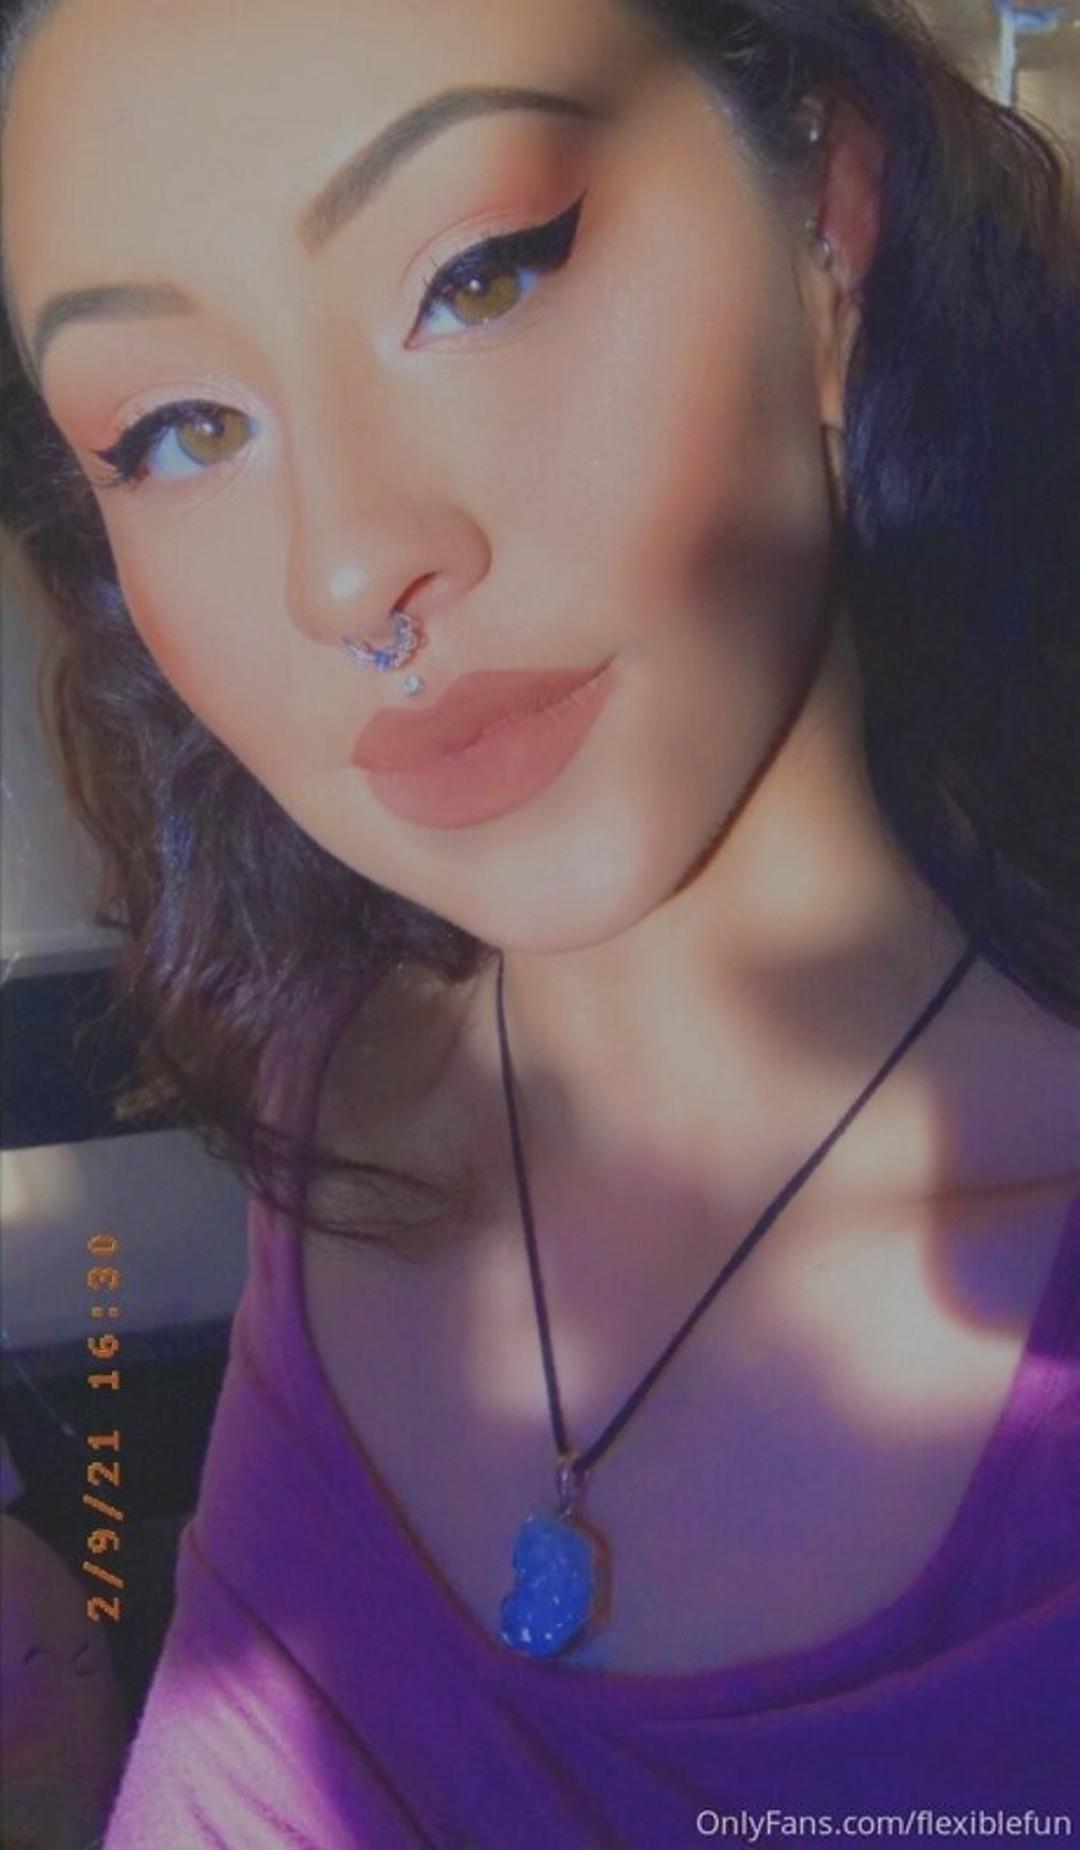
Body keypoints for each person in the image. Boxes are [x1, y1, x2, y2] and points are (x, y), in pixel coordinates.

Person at [1, 0, 1078, 1840]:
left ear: (831, 231)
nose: (348, 569)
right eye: (180, 428)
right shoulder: (345, 1104)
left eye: (479, 277)